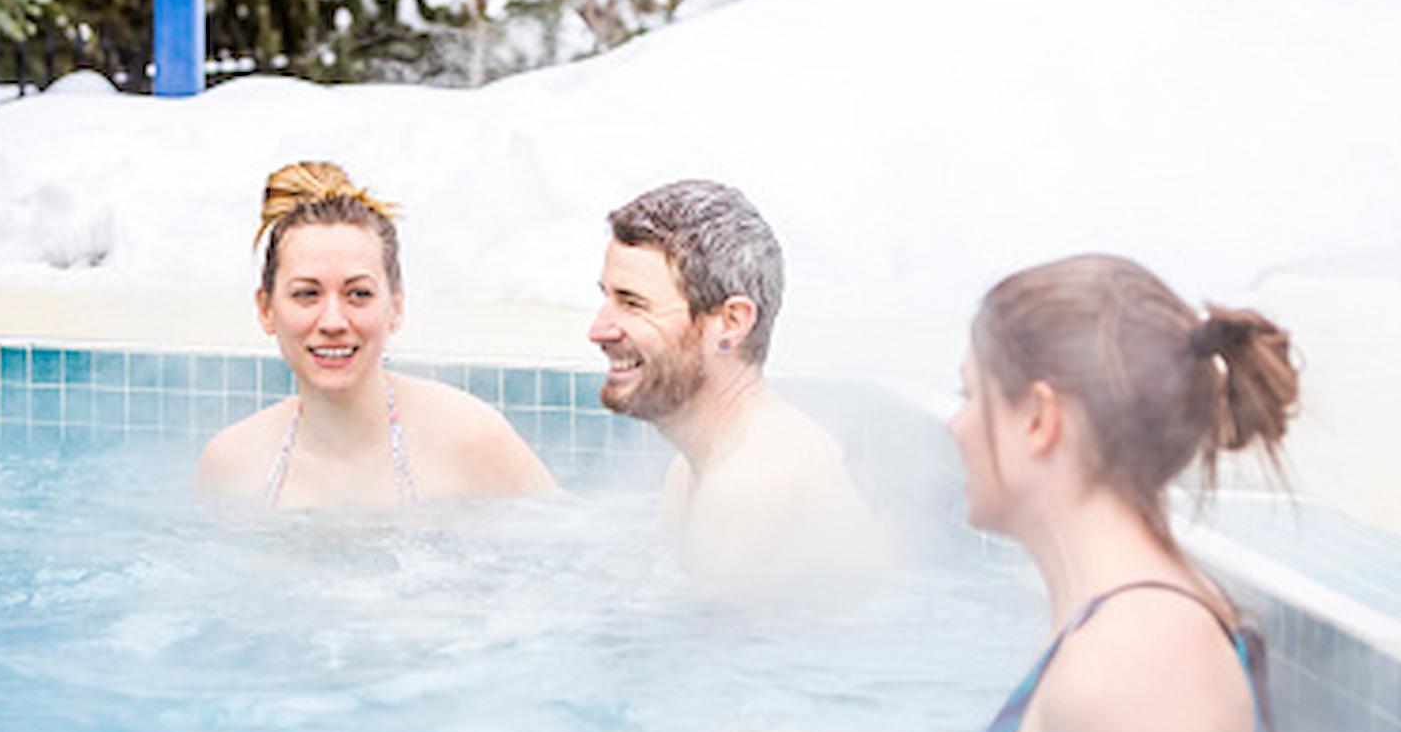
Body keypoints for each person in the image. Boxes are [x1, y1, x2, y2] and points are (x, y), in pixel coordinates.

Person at [951, 253, 1294, 732]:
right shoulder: (1133, 626)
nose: (955, 426)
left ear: (1039, 419)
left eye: (970, 396)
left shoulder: (1123, 679)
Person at [197, 161, 556, 507]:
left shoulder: (472, 440)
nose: (333, 322)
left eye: (359, 294)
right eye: (307, 294)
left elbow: (568, 556)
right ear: (266, 309)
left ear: (395, 307)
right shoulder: (231, 464)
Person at [588, 178, 886, 586]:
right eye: (606, 297)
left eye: (633, 304)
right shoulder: (694, 467)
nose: (599, 329)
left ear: (730, 323)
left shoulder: (751, 488)